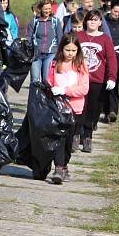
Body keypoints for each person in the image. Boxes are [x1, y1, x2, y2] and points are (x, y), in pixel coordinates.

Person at [46, 34, 89, 184]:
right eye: (67, 50)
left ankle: (64, 165)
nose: (70, 53)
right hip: (58, 109)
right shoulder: (54, 64)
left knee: (69, 141)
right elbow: (49, 82)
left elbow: (84, 88)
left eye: (73, 50)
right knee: (59, 139)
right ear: (61, 49)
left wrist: (65, 90)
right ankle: (58, 168)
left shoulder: (81, 65)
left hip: (75, 109)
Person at [76, 10, 117, 153]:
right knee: (78, 108)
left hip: (97, 80)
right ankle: (76, 134)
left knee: (93, 110)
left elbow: (111, 60)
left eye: (95, 20)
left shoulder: (105, 39)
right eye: (90, 19)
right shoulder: (78, 36)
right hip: (78, 79)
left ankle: (87, 137)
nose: (92, 22)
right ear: (85, 21)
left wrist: (111, 77)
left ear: (100, 23)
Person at [26, 0, 62, 84]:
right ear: (40, 9)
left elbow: (60, 38)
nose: (48, 11)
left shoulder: (55, 21)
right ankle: (34, 97)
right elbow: (28, 37)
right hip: (36, 55)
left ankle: (46, 97)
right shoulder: (34, 21)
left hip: (51, 54)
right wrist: (29, 50)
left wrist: (59, 54)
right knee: (35, 80)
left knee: (46, 79)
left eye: (49, 9)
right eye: (45, 9)